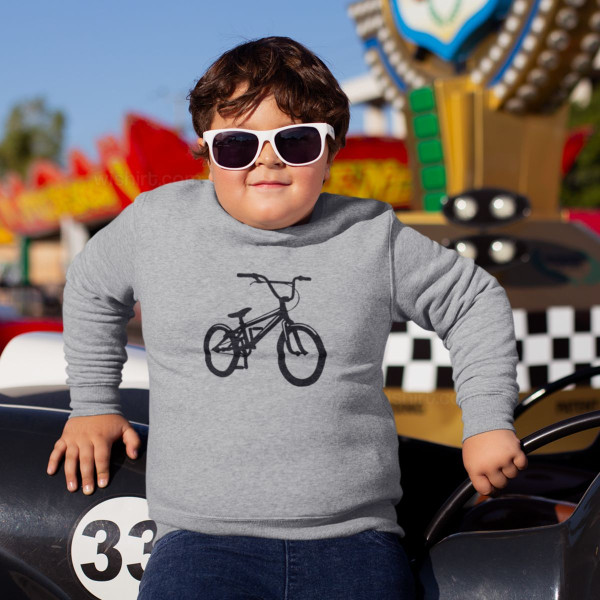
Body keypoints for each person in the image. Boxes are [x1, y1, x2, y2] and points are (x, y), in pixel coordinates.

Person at [47, 36, 527, 599]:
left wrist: (488, 421)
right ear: (205, 153)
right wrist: (94, 405)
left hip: (355, 539)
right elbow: (90, 287)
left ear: (330, 152)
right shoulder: (157, 223)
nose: (266, 159)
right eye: (236, 145)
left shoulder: (372, 236)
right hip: (201, 540)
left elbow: (472, 301)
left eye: (296, 141)